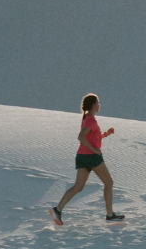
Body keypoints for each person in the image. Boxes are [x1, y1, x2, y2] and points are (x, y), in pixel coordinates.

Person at [50, 93, 124, 224]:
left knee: (78, 186)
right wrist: (94, 150)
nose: (99, 105)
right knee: (109, 183)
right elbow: (81, 137)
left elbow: (91, 137)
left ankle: (58, 209)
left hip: (81, 156)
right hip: (91, 157)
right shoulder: (91, 120)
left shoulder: (86, 118)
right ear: (93, 105)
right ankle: (110, 214)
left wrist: (106, 134)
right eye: (98, 103)